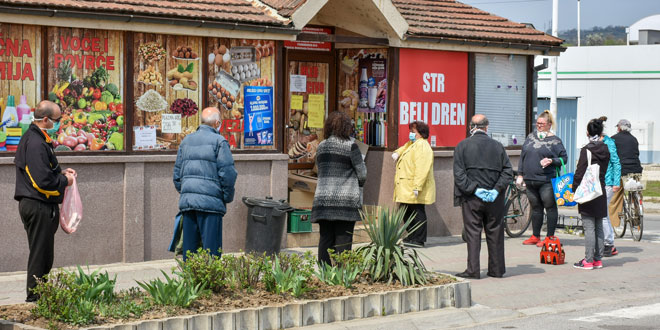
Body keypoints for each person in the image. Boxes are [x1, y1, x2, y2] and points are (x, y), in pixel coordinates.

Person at [14, 100, 76, 302]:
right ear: (46, 119)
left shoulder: (38, 138)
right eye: (57, 120)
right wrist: (63, 180)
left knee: (43, 253)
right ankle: (35, 298)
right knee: (41, 254)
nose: (59, 125)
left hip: (38, 203)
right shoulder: (35, 142)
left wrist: (60, 172)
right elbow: (42, 180)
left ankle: (40, 294)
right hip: (38, 204)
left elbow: (43, 172)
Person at [173, 107, 237, 261]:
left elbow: (177, 175)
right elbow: (228, 174)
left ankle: (190, 282)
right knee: (212, 251)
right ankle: (210, 283)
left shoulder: (186, 141)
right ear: (217, 123)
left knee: (190, 251)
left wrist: (187, 192)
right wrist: (226, 197)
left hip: (189, 204)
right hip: (211, 204)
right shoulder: (220, 142)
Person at [453, 114, 513, 279]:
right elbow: (507, 172)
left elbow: (459, 174)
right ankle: (497, 270)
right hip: (494, 199)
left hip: (472, 198)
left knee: (473, 233)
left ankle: (473, 270)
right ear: (487, 127)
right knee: (495, 232)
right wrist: (495, 190)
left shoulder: (462, 146)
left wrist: (474, 190)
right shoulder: (498, 146)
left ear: (471, 127)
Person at [311, 111, 367, 265]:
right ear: (346, 127)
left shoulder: (321, 146)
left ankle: (324, 274)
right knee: (343, 240)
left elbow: (318, 168)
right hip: (345, 201)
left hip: (323, 200)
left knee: (325, 239)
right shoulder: (351, 146)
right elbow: (362, 174)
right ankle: (342, 276)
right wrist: (357, 184)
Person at [517, 110, 568, 247]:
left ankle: (550, 237)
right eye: (537, 123)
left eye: (542, 124)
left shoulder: (555, 141)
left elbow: (564, 158)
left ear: (549, 125)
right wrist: (520, 174)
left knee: (550, 207)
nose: (538, 126)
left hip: (546, 181)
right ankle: (535, 236)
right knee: (536, 208)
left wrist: (551, 161)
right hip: (530, 179)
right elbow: (523, 156)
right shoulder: (530, 136)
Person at [572, 118, 610, 270]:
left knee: (589, 228)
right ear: (601, 133)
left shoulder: (586, 150)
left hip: (588, 191)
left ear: (587, 133)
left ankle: (587, 260)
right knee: (599, 226)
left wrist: (574, 188)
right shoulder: (606, 149)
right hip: (600, 190)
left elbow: (579, 173)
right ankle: (597, 259)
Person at [392, 121, 435, 248]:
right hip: (407, 187)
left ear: (421, 134)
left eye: (413, 132)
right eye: (410, 131)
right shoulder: (413, 144)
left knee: (417, 213)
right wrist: (397, 153)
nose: (410, 134)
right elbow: (405, 147)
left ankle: (419, 239)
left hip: (413, 187)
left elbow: (422, 169)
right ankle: (412, 236)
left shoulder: (423, 147)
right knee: (406, 212)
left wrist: (417, 187)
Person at [609, 119, 644, 233]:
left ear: (619, 127)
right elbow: (636, 154)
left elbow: (612, 156)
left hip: (621, 171)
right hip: (636, 170)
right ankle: (637, 221)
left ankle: (613, 224)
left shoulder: (613, 138)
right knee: (636, 191)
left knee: (616, 197)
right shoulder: (634, 139)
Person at [599, 117, 621, 257]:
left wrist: (616, 182)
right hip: (596, 182)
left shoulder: (609, 142)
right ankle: (602, 241)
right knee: (598, 213)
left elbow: (616, 162)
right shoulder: (593, 143)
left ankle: (609, 243)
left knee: (603, 213)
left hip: (607, 182)